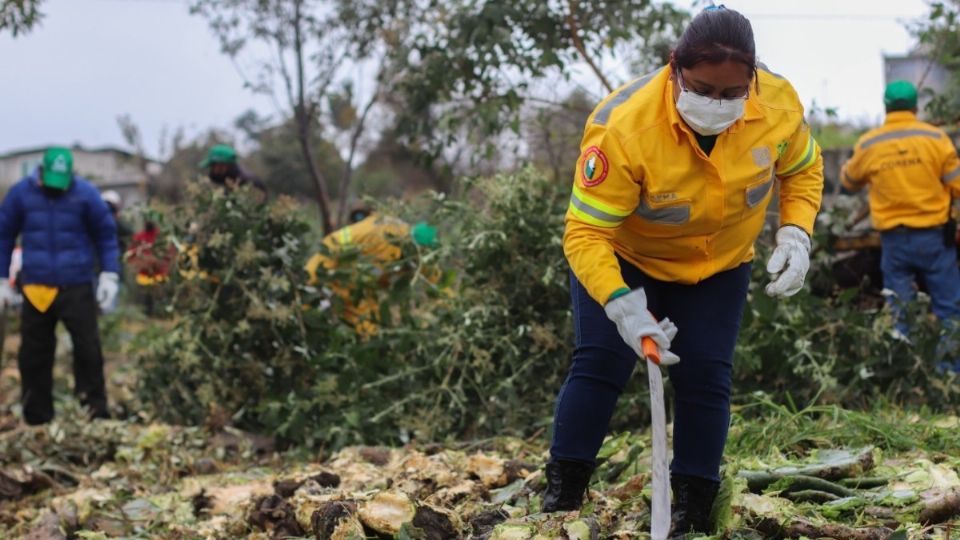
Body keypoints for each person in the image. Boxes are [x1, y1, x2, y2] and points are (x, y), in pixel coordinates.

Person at [544, 7, 823, 537]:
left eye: (732, 93)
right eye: (701, 88)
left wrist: (795, 232)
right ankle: (563, 494)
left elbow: (804, 167)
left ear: (753, 79)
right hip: (627, 260)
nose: (716, 104)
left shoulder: (779, 103)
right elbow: (585, 234)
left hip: (718, 265)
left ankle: (693, 507)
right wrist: (622, 303)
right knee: (601, 362)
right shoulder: (624, 127)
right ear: (674, 68)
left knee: (706, 375)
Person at [0, 147, 120, 424]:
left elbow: (105, 235)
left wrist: (109, 274)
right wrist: (3, 278)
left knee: (88, 349)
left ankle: (93, 413)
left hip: (76, 284)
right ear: (41, 173)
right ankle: (37, 418)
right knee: (34, 353)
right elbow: (4, 235)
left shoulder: (86, 194)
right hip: (36, 287)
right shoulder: (21, 194)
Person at [841, 80, 960, 357]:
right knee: (950, 308)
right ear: (916, 107)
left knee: (900, 310)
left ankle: (904, 366)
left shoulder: (869, 143)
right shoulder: (936, 139)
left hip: (894, 242)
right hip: (934, 240)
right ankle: (950, 374)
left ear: (886, 107)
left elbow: (849, 181)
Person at [305, 213, 438, 336]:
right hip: (326, 267)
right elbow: (368, 281)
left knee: (367, 327)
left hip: (349, 271)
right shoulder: (388, 242)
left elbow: (435, 278)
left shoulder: (403, 240)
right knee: (309, 312)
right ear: (416, 247)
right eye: (422, 254)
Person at [199, 144, 267, 195]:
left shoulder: (247, 182)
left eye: (213, 166)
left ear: (222, 166)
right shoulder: (231, 182)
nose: (212, 171)